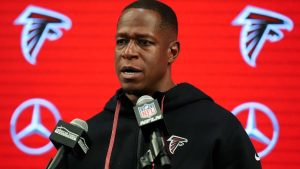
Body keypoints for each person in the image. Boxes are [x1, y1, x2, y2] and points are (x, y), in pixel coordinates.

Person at [62, 1, 262, 169]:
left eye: (144, 42)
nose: (128, 52)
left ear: (172, 52)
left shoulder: (216, 126)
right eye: (122, 41)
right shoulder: (87, 137)